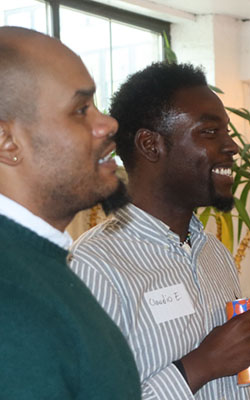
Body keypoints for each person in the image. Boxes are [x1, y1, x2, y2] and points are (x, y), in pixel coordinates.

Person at [69, 62, 250, 400]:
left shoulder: (214, 253)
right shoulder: (93, 266)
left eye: (227, 132)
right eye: (210, 132)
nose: (232, 147)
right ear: (151, 145)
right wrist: (201, 365)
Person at [0, 27, 140, 399]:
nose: (108, 124)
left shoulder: (37, 262)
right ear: (8, 142)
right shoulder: (10, 299)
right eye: (81, 110)